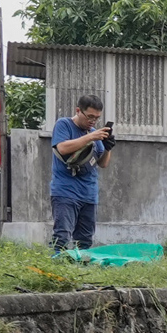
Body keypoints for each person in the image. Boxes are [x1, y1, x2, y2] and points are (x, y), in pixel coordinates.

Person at [50, 94, 114, 251]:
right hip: (66, 191)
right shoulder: (64, 124)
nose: (93, 121)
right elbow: (62, 148)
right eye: (90, 116)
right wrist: (91, 136)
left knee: (85, 240)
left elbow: (103, 163)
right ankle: (57, 272)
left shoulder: (94, 133)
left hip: (89, 193)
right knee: (62, 237)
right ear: (78, 111)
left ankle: (82, 272)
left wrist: (108, 148)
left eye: (97, 118)